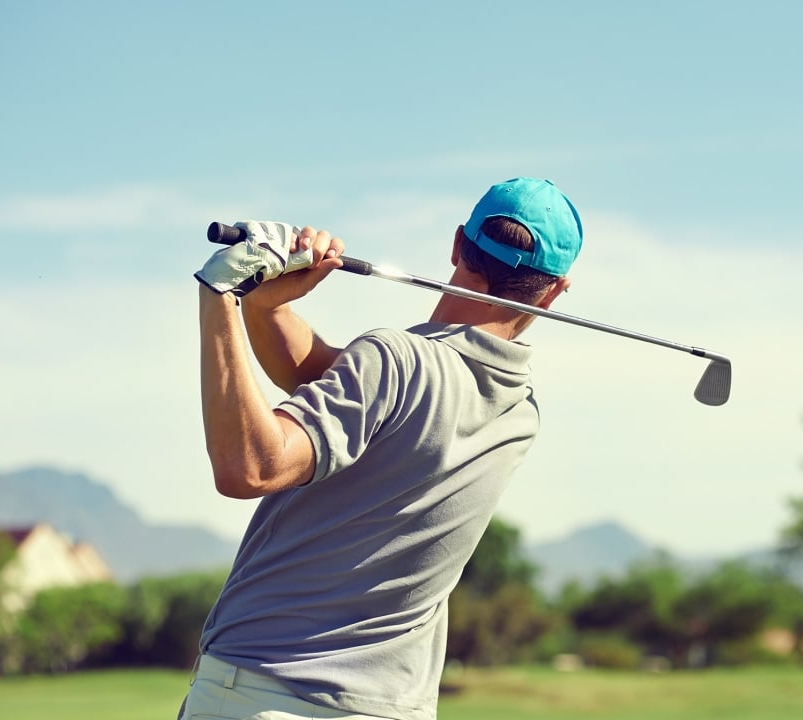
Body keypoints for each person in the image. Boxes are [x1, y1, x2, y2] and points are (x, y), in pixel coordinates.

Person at [182, 178, 583, 720]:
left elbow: (249, 466)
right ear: (555, 291)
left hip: (265, 692)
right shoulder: (519, 411)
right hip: (393, 708)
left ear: (458, 245)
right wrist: (266, 305)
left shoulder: (395, 361)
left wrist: (222, 295)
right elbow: (333, 384)